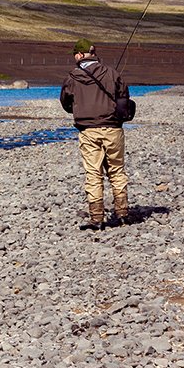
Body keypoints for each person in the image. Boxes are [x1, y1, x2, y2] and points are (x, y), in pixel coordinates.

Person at [59, 39, 131, 230]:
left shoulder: (72, 77)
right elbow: (124, 98)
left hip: (88, 131)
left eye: (75, 54)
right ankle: (122, 214)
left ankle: (97, 219)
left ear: (80, 55)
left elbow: (66, 104)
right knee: (117, 171)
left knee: (93, 173)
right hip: (113, 130)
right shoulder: (112, 73)